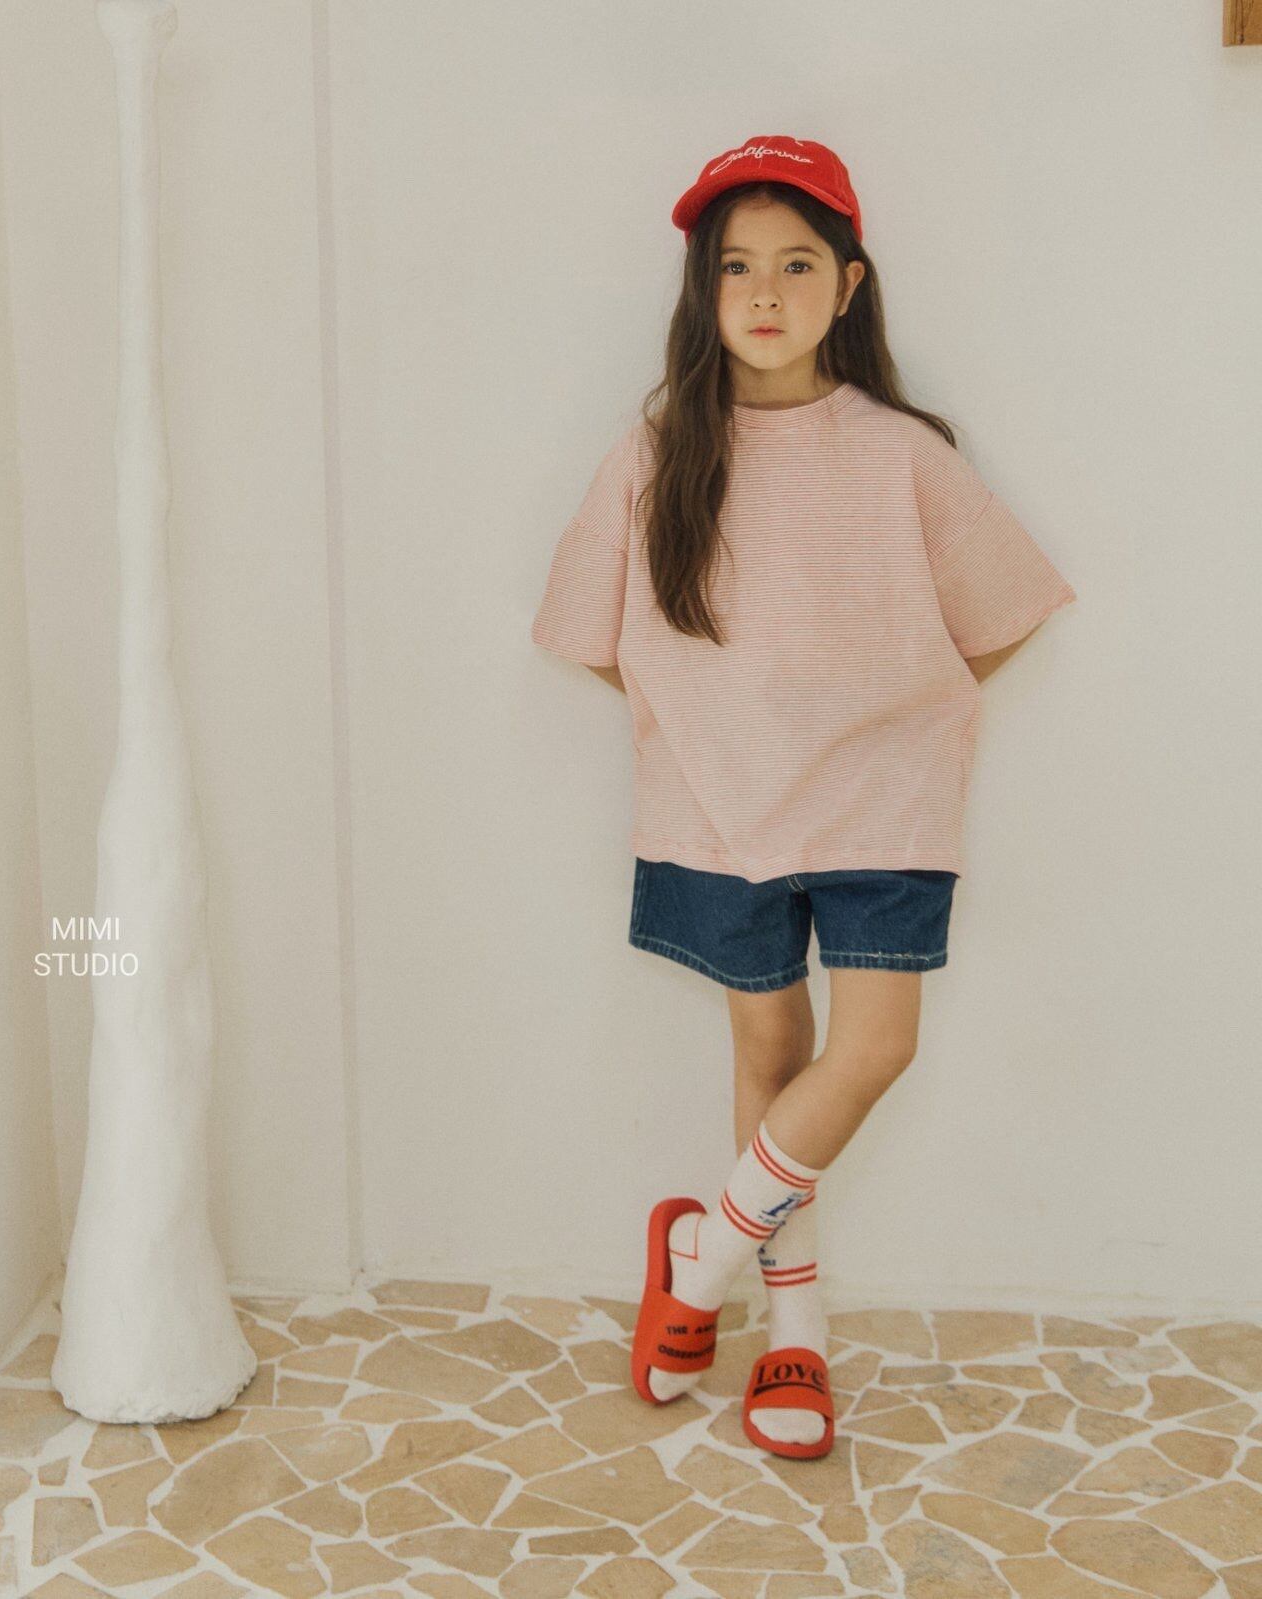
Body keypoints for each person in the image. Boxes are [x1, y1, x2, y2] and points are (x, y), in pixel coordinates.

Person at [530, 135, 1077, 1461]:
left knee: (873, 1047)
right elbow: (592, 634)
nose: (765, 292)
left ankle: (702, 1258)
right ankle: (794, 1332)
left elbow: (1006, 607)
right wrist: (717, 723)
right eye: (736, 267)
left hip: (884, 806)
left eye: (796, 263)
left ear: (850, 283)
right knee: (771, 1059)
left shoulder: (900, 453)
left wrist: (887, 711)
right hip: (718, 810)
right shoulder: (658, 452)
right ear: (702, 287)